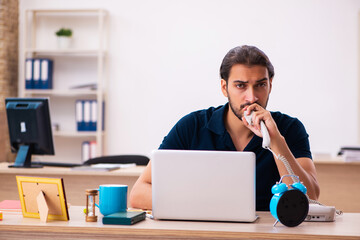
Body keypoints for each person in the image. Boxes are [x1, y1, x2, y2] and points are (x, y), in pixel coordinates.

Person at [129, 45, 320, 211]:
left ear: (270, 85)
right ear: (224, 87)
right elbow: (139, 193)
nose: (251, 97)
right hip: (205, 231)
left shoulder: (290, 128)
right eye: (240, 86)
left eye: (260, 85)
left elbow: (310, 198)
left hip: (267, 233)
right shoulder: (192, 126)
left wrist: (276, 141)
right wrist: (206, 206)